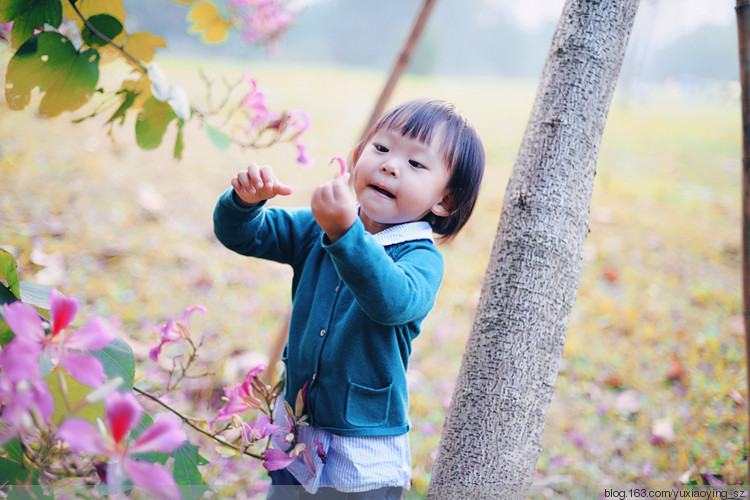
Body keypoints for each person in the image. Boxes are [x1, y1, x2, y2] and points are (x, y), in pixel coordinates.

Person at [213, 98, 485, 499]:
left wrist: (344, 235)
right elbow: (243, 235)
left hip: (363, 442)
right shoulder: (317, 227)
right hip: (296, 422)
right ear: (357, 157)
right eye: (382, 148)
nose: (391, 165)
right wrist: (244, 203)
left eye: (416, 164)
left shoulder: (420, 258)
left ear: (444, 200)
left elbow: (391, 301)